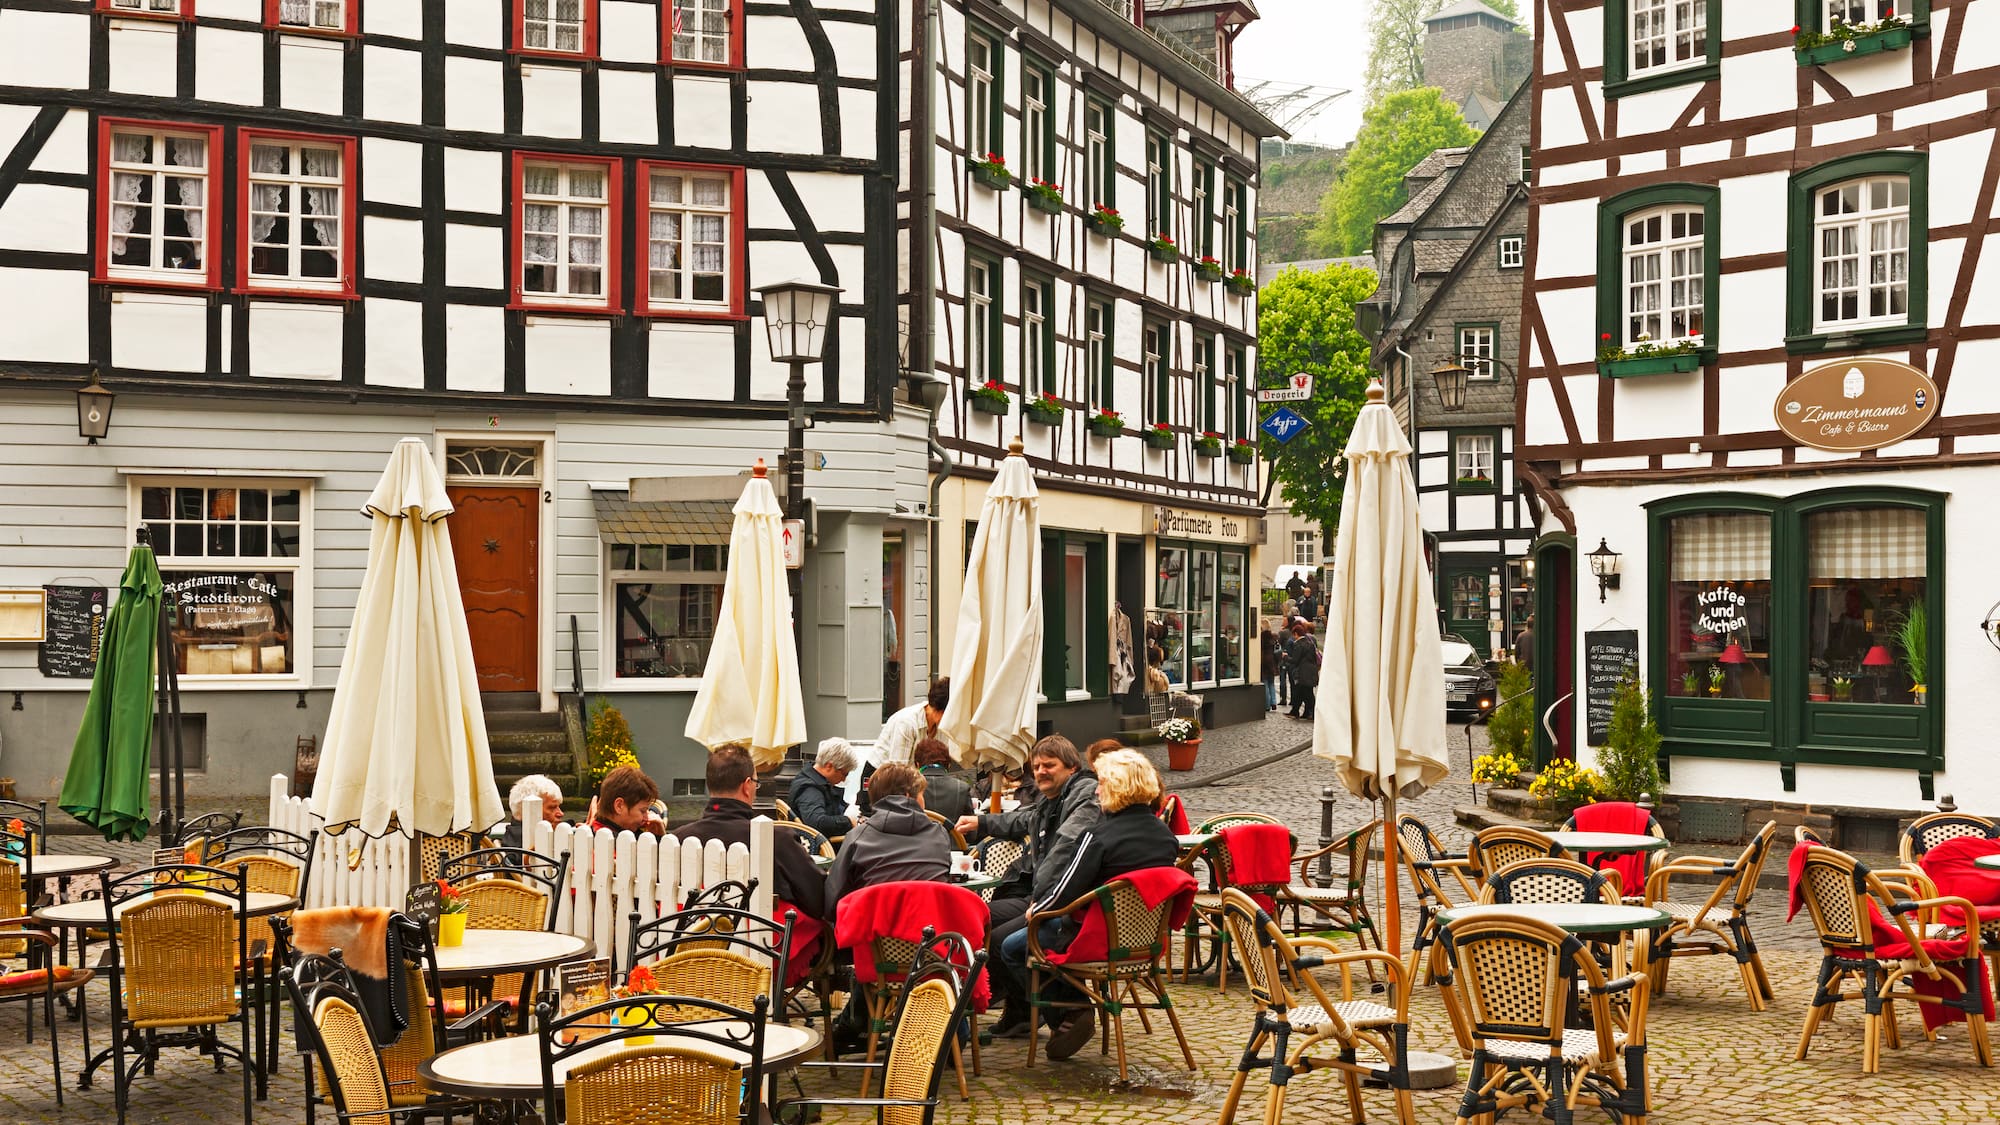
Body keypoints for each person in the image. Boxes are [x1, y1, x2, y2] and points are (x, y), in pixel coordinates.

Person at [1002, 749, 1181, 1061]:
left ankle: (1069, 1011)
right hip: (1143, 945)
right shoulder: (1165, 835)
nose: (1097, 790)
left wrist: (1038, 909)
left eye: (1101, 783)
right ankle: (1071, 1010)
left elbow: (1066, 889)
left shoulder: (1098, 836)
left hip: (1094, 940)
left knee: (1013, 945)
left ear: (1115, 787)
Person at [955, 735, 1101, 1036]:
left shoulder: (1084, 796)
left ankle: (1067, 1011)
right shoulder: (1052, 800)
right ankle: (1017, 1010)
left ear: (1071, 767)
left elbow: (1064, 848)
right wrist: (981, 824)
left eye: (1049, 765)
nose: (1041, 771)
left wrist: (1042, 900)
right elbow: (1025, 820)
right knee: (978, 917)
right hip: (1036, 894)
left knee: (997, 942)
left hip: (1062, 901)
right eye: (1036, 766)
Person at [670, 747, 827, 922]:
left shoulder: (678, 840)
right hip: (768, 944)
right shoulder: (778, 839)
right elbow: (817, 900)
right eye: (755, 783)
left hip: (690, 943)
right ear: (746, 786)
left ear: (709, 785)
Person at [824, 763, 950, 905]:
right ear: (908, 796)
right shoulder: (939, 834)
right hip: (929, 923)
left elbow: (832, 900)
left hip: (873, 925)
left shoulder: (857, 837)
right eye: (922, 794)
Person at [790, 738, 860, 840]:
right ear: (829, 766)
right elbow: (817, 823)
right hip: (824, 849)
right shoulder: (809, 789)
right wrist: (849, 821)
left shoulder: (818, 782)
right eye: (844, 773)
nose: (844, 779)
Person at [877, 676, 950, 765]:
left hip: (909, 774)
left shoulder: (941, 724)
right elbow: (899, 768)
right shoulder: (907, 723)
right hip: (879, 773)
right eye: (949, 713)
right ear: (938, 709)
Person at [586, 765, 666, 836]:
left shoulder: (593, 833)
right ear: (619, 806)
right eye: (643, 811)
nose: (647, 818)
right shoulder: (613, 843)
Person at [499, 774, 565, 851]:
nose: (561, 813)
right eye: (552, 808)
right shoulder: (523, 849)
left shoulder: (512, 840)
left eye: (558, 807)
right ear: (528, 810)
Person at [913, 738, 972, 821]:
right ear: (949, 765)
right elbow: (970, 827)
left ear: (917, 764)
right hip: (951, 834)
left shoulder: (909, 788)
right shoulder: (962, 788)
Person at [1288, 619, 1320, 721]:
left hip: (1303, 673)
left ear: (1296, 634)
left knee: (1307, 694)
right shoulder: (1309, 643)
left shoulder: (1299, 644)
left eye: (1294, 635)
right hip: (1311, 672)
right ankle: (1299, 712)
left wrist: (1284, 657)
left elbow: (1295, 660)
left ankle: (1309, 713)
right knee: (1303, 693)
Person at [1260, 620, 1284, 713]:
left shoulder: (1261, 637)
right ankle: (1273, 703)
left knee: (1265, 682)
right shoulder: (1274, 637)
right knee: (1271, 683)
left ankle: (1267, 705)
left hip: (1264, 661)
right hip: (1273, 662)